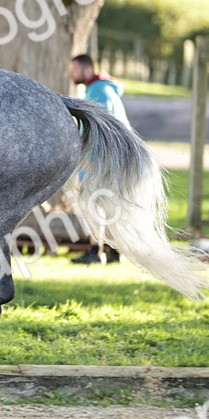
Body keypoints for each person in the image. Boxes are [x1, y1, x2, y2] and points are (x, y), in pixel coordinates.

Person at [69, 54, 130, 264]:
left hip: (100, 159)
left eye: (73, 68)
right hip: (110, 158)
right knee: (107, 203)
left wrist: (90, 158)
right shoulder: (103, 89)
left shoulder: (98, 91)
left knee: (93, 203)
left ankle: (95, 251)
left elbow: (101, 128)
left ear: (85, 68)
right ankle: (112, 252)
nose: (71, 74)